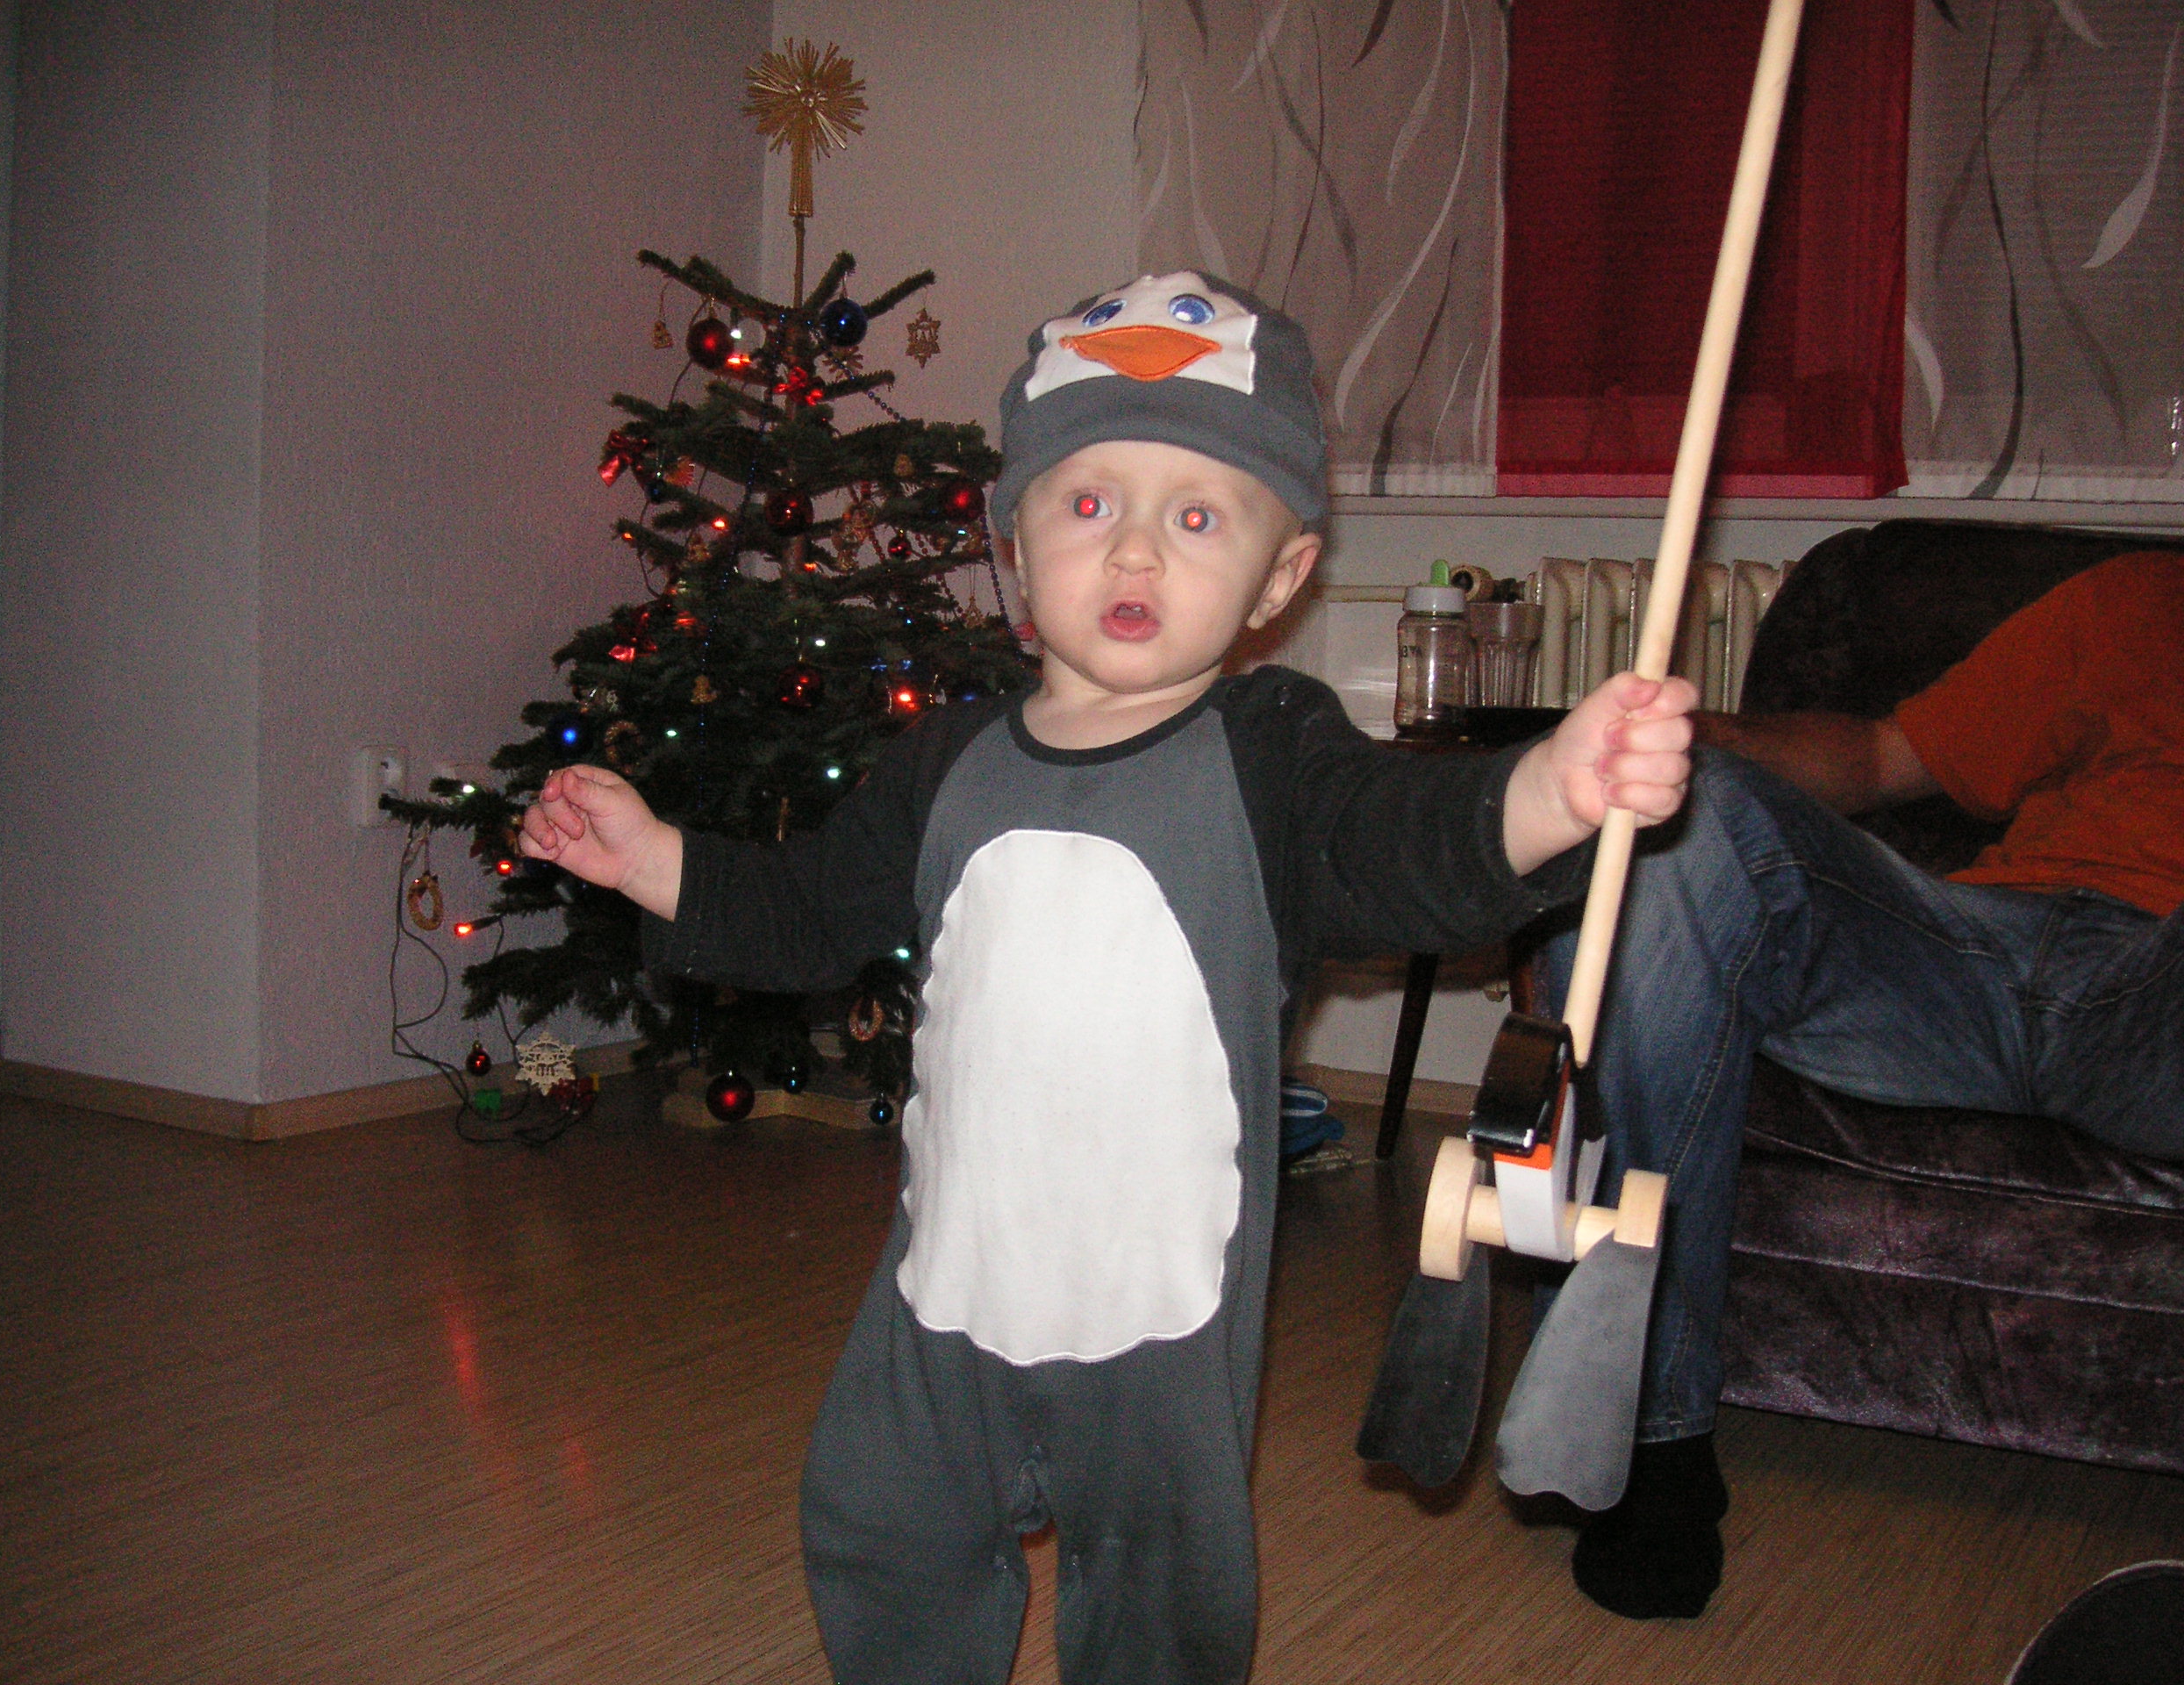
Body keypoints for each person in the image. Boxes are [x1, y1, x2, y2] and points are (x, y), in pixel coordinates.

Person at [516, 270, 1696, 1684]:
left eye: (1196, 518)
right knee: (876, 1520)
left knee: (1158, 1600)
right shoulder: (946, 763)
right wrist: (657, 862)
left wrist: (1553, 791)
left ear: (1279, 578)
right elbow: (808, 913)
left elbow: (1402, 842)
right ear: (1014, 547)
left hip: (1161, 1323)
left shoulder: (1272, 753)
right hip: (946, 1284)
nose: (1134, 550)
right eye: (1087, 503)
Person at [1551, 549, 2184, 1623]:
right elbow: (1882, 757)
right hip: (1980, 947)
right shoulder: (2141, 599)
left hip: (2159, 994)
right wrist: (1680, 741)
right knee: (1688, 822)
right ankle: (1652, 1439)